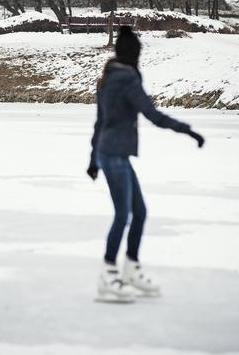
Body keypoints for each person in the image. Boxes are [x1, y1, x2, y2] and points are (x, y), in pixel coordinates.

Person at [87, 26, 205, 303]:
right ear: (134, 55)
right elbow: (152, 114)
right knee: (123, 215)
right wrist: (187, 129)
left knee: (139, 212)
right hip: (114, 154)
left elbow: (100, 122)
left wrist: (93, 160)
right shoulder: (126, 79)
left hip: (112, 153)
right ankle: (108, 273)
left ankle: (130, 268)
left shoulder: (107, 77)